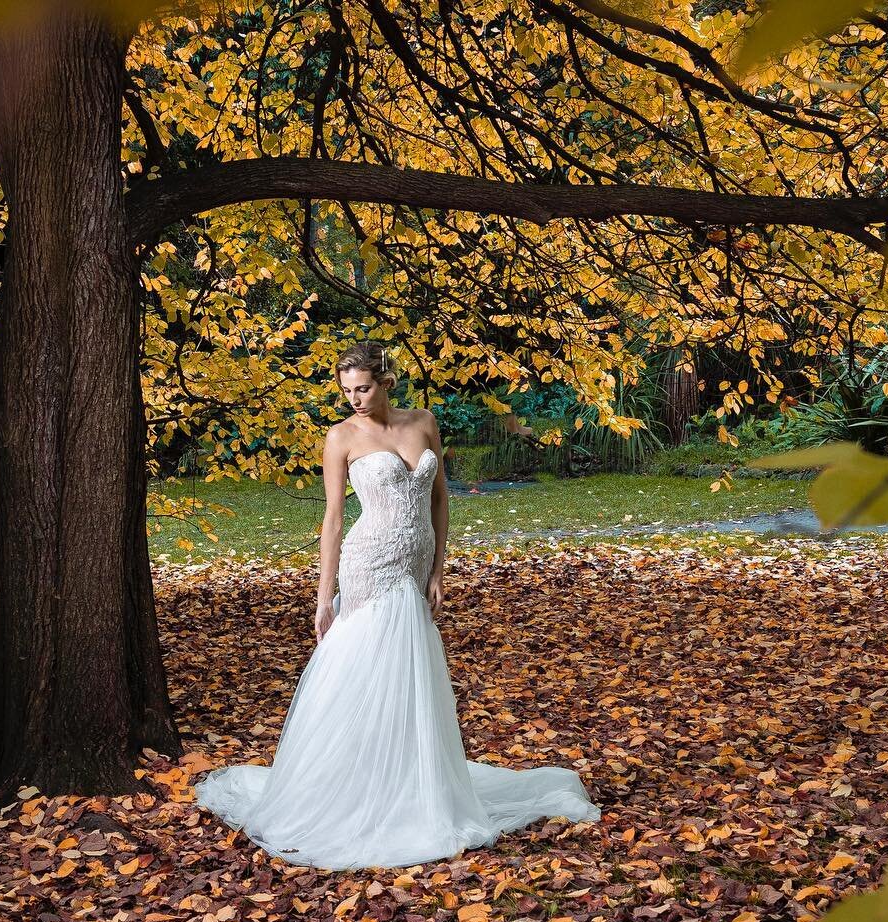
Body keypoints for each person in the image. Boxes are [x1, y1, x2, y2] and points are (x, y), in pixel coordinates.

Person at [193, 343, 600, 869]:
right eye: (346, 391)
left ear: (385, 381)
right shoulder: (340, 437)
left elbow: (440, 499)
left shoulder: (423, 421)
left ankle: (412, 778)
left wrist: (437, 569)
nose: (355, 399)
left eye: (363, 388)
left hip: (415, 565)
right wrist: (323, 597)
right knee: (364, 666)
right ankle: (356, 787)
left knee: (411, 672)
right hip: (370, 564)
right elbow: (334, 520)